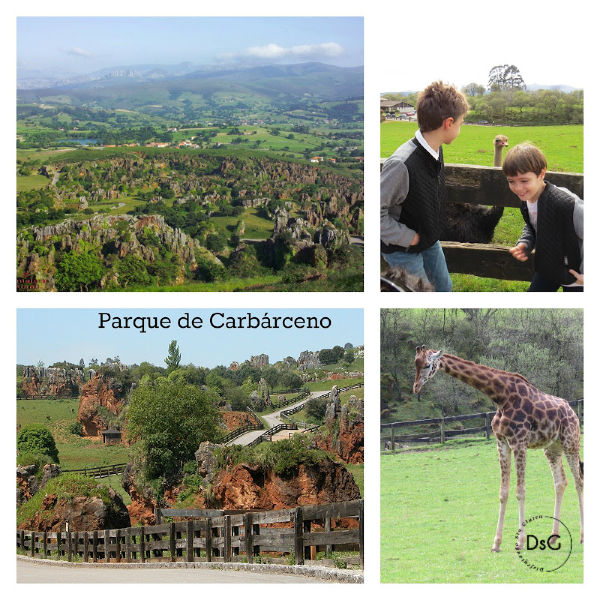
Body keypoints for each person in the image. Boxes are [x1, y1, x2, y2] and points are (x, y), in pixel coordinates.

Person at [380, 81, 469, 291]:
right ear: (448, 123)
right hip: (403, 249)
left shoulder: (435, 149)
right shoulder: (402, 165)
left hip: (428, 240)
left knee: (444, 288)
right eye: (461, 123)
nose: (460, 127)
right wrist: (409, 237)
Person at [503, 143, 583, 292]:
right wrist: (526, 243)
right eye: (511, 181)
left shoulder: (566, 204)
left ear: (541, 174)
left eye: (524, 181)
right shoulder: (527, 200)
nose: (518, 188)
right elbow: (534, 225)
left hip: (577, 274)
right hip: (549, 267)